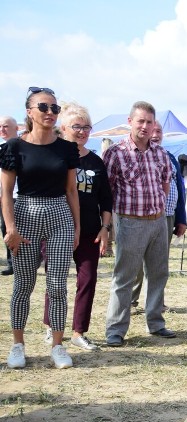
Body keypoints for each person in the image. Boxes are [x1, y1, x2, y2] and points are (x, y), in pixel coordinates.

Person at [1, 87, 80, 369]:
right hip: (25, 213)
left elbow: (71, 191)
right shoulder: (13, 147)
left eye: (55, 108)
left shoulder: (67, 148)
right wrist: (10, 227)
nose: (50, 113)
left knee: (57, 285)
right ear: (29, 111)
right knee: (23, 284)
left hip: (60, 215)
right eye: (44, 107)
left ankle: (58, 346)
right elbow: (6, 193)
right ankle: (17, 345)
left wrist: (77, 227)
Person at [102, 101, 176, 347]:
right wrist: (110, 225)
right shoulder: (116, 152)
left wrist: (159, 210)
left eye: (149, 122)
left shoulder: (160, 153)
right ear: (130, 121)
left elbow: (165, 183)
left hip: (158, 222)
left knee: (159, 274)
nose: (145, 126)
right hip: (130, 222)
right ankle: (115, 329)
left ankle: (155, 323)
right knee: (125, 277)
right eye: (140, 121)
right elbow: (107, 191)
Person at [42, 103, 112, 352]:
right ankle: (51, 327)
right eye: (76, 127)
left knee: (88, 279)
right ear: (63, 128)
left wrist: (105, 228)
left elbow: (106, 198)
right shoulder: (53, 156)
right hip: (58, 227)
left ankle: (78, 331)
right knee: (56, 279)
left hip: (91, 230)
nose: (82, 131)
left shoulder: (96, 161)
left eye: (86, 127)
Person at [130, 120, 187, 311]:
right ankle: (131, 300)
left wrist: (182, 219)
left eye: (159, 131)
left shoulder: (169, 157)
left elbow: (179, 189)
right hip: (141, 216)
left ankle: (155, 303)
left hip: (168, 215)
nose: (155, 134)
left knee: (159, 264)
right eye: (152, 130)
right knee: (136, 261)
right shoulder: (135, 154)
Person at [1, 115, 18, 275]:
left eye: (5, 126)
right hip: (5, 196)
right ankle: (11, 263)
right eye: (0, 127)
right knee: (5, 228)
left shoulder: (23, 147)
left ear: (16, 128)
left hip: (20, 196)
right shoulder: (2, 148)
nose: (2, 130)